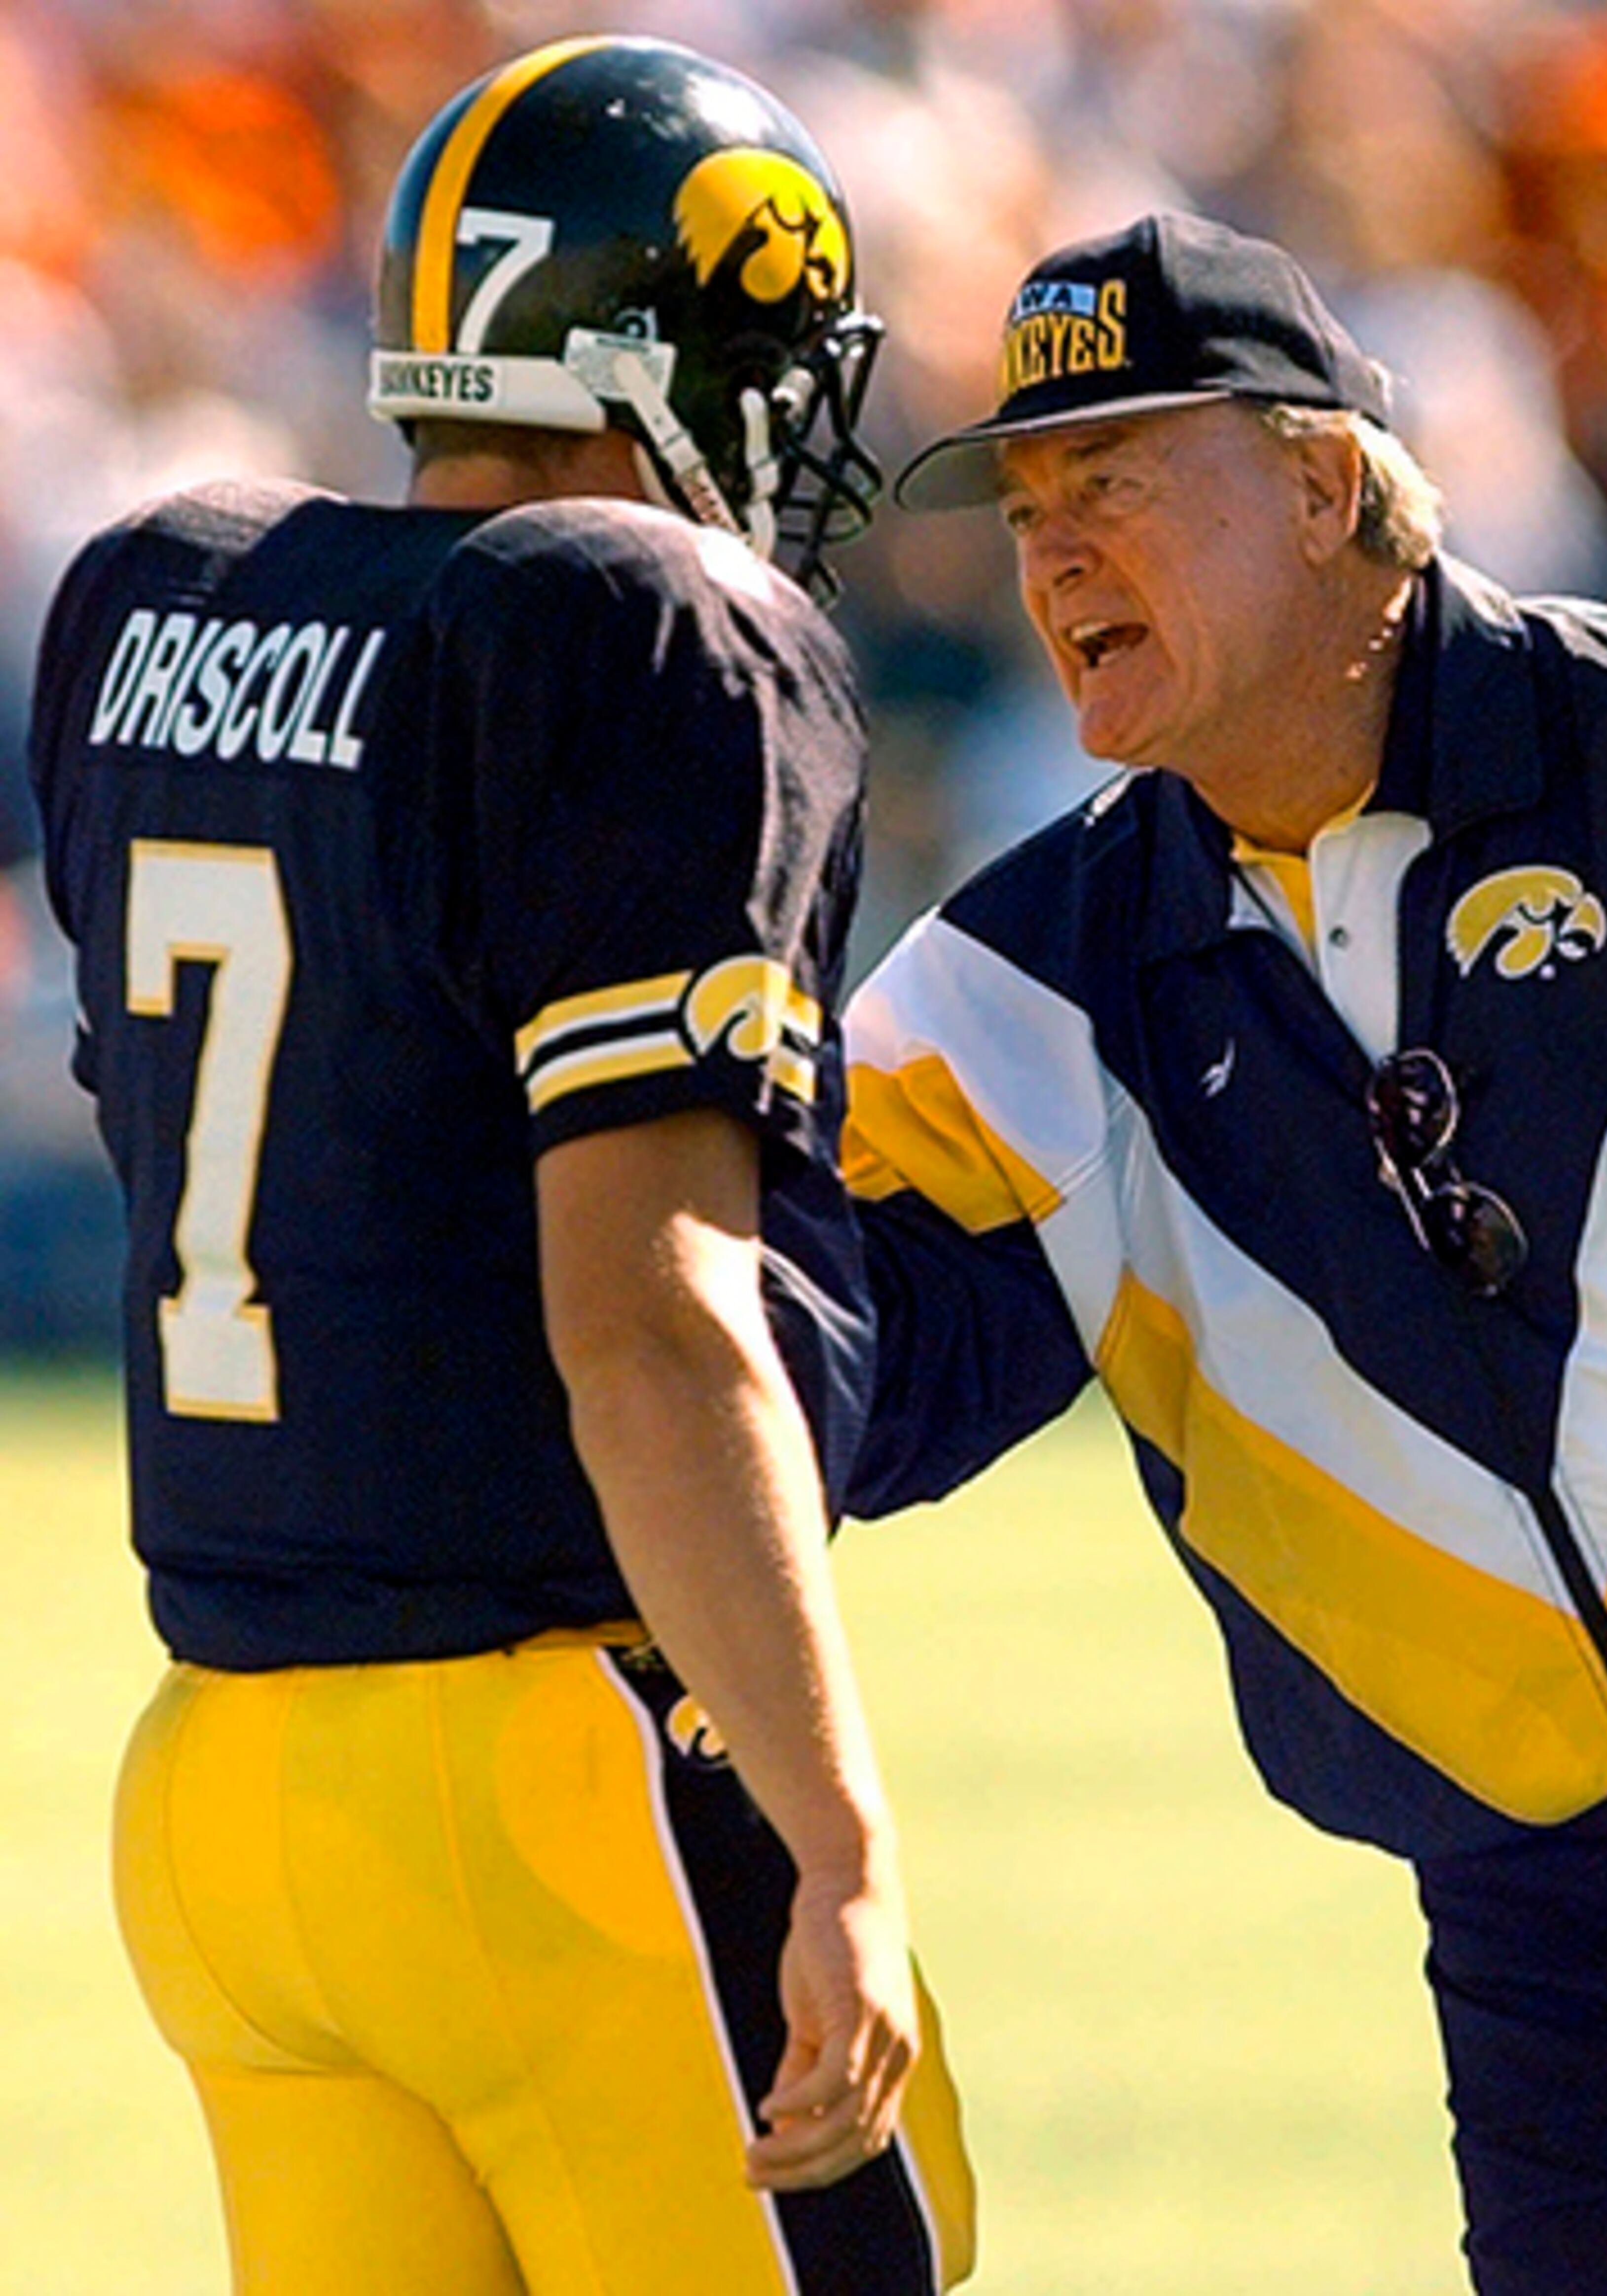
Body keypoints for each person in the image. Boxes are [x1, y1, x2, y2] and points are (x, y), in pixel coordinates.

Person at [840, 207, 1607, 2295]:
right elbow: (779, 1367)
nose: (1053, 559)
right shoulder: (1021, 989)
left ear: (1326, 481)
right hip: (1546, 1945)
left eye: (1116, 482)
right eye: (1031, 506)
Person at [29, 36, 973, 2295]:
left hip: (224, 1795)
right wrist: (834, 1835)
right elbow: (651, 1312)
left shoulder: (157, 587)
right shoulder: (645, 630)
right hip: (548, 1781)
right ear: (663, 353)